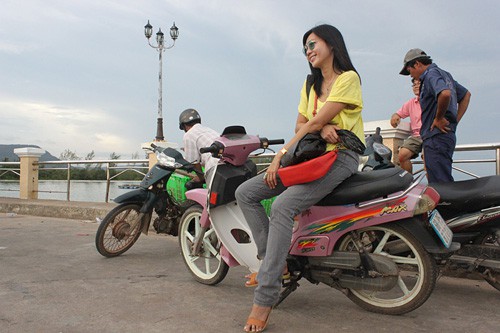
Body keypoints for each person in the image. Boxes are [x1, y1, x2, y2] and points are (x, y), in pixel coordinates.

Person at [235, 24, 364, 332]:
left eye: (313, 43)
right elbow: (301, 125)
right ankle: (273, 263)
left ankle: (265, 298)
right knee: (246, 193)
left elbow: (318, 118)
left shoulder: (348, 79)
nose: (308, 51)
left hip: (340, 157)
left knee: (281, 206)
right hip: (310, 158)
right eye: (305, 47)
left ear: (331, 44)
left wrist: (280, 155)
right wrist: (319, 129)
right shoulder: (310, 85)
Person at [400, 48, 471, 183]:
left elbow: (444, 94)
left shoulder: (430, 75)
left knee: (440, 185)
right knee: (443, 179)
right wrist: (454, 121)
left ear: (417, 64)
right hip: (446, 136)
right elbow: (466, 95)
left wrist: (438, 119)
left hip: (435, 137)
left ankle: (447, 204)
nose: (411, 76)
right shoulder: (445, 74)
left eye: (410, 71)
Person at [178, 108, 219, 187]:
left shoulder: (189, 134)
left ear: (184, 125)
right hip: (228, 164)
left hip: (214, 167)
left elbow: (194, 162)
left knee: (211, 197)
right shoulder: (208, 130)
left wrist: (201, 178)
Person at [390, 78, 422, 173]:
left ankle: (433, 185)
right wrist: (395, 117)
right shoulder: (411, 103)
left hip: (430, 134)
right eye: (414, 84)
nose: (416, 86)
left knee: (429, 160)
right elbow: (398, 114)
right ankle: (409, 182)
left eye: (419, 84)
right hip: (416, 136)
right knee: (402, 155)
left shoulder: (432, 100)